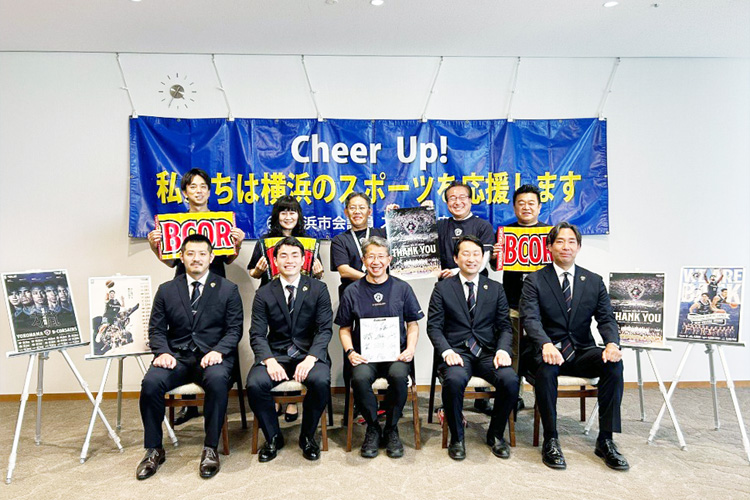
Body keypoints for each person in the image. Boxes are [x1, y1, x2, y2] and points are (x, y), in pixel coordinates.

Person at [520, 222, 628, 471]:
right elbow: (530, 319)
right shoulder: (534, 280)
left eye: (571, 242)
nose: (565, 247)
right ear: (549, 246)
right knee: (546, 369)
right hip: (547, 350)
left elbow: (606, 319)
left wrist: (612, 344)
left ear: (578, 247)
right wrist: (545, 344)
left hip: (580, 350)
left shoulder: (593, 281)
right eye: (559, 241)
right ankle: (551, 439)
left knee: (614, 365)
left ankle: (606, 440)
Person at [136, 234, 243, 480]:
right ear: (182, 257)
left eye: (202, 254)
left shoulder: (228, 289)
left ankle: (210, 448)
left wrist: (218, 351)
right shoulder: (167, 290)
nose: (196, 258)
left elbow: (234, 329)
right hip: (177, 356)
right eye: (190, 253)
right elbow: (156, 329)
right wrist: (162, 352)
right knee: (151, 383)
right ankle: (153, 449)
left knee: (217, 381)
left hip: (213, 356)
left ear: (211, 257)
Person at [147, 168, 245, 426]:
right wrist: (154, 247)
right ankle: (189, 406)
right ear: (185, 192)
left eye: (203, 186)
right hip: (184, 282)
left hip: (215, 283)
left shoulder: (221, 221)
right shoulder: (175, 222)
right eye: (193, 187)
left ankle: (210, 402)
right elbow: (171, 261)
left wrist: (237, 244)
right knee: (185, 333)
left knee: (210, 331)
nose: (198, 191)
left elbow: (228, 258)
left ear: (209, 192)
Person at [427, 235, 519, 460]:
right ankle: (457, 437)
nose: (471, 259)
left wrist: (502, 350)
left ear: (483, 258)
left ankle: (495, 434)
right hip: (457, 353)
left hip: (488, 353)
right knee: (454, 380)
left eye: (476, 254)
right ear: (456, 258)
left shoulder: (495, 288)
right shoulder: (442, 288)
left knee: (510, 380)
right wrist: (447, 351)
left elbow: (505, 327)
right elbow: (434, 327)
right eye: (466, 254)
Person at [246, 237, 333, 462]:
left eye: (295, 255)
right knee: (255, 384)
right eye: (283, 255)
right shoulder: (264, 293)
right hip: (276, 354)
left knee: (320, 381)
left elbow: (324, 330)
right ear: (275, 260)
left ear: (304, 260)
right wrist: (269, 360)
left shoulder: (318, 289)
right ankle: (273, 437)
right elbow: (257, 334)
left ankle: (307, 436)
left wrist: (311, 358)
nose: (289, 260)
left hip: (308, 354)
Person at [336, 236, 423, 459]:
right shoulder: (352, 291)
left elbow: (413, 324)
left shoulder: (402, 288)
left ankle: (392, 428)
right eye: (371, 257)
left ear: (389, 259)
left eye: (381, 256)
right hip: (365, 356)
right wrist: (350, 352)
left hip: (396, 355)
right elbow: (344, 328)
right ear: (363, 260)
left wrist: (410, 348)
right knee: (359, 378)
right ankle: (373, 427)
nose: (376, 262)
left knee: (398, 376)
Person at [247, 195, 324, 422]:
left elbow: (316, 275)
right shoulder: (265, 241)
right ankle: (276, 393)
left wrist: (319, 273)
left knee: (300, 339)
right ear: (276, 216)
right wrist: (258, 271)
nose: (288, 216)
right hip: (273, 296)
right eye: (283, 212)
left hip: (301, 299)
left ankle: (291, 401)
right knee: (278, 341)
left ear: (298, 215)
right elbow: (252, 272)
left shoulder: (308, 242)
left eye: (292, 212)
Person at [492, 184, 549, 411]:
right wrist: (495, 256)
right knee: (512, 349)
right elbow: (495, 266)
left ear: (539, 207)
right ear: (514, 207)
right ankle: (513, 396)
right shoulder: (506, 233)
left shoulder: (550, 234)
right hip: (512, 301)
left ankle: (542, 395)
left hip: (543, 305)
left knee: (540, 349)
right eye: (521, 203)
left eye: (531, 203)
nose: (526, 207)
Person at [330, 192, 387, 298]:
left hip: (382, 292)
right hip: (352, 294)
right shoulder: (339, 240)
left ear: (369, 212)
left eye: (361, 208)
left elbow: (405, 235)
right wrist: (371, 279)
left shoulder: (382, 235)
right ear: (346, 212)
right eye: (352, 208)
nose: (357, 211)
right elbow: (344, 271)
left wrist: (393, 215)